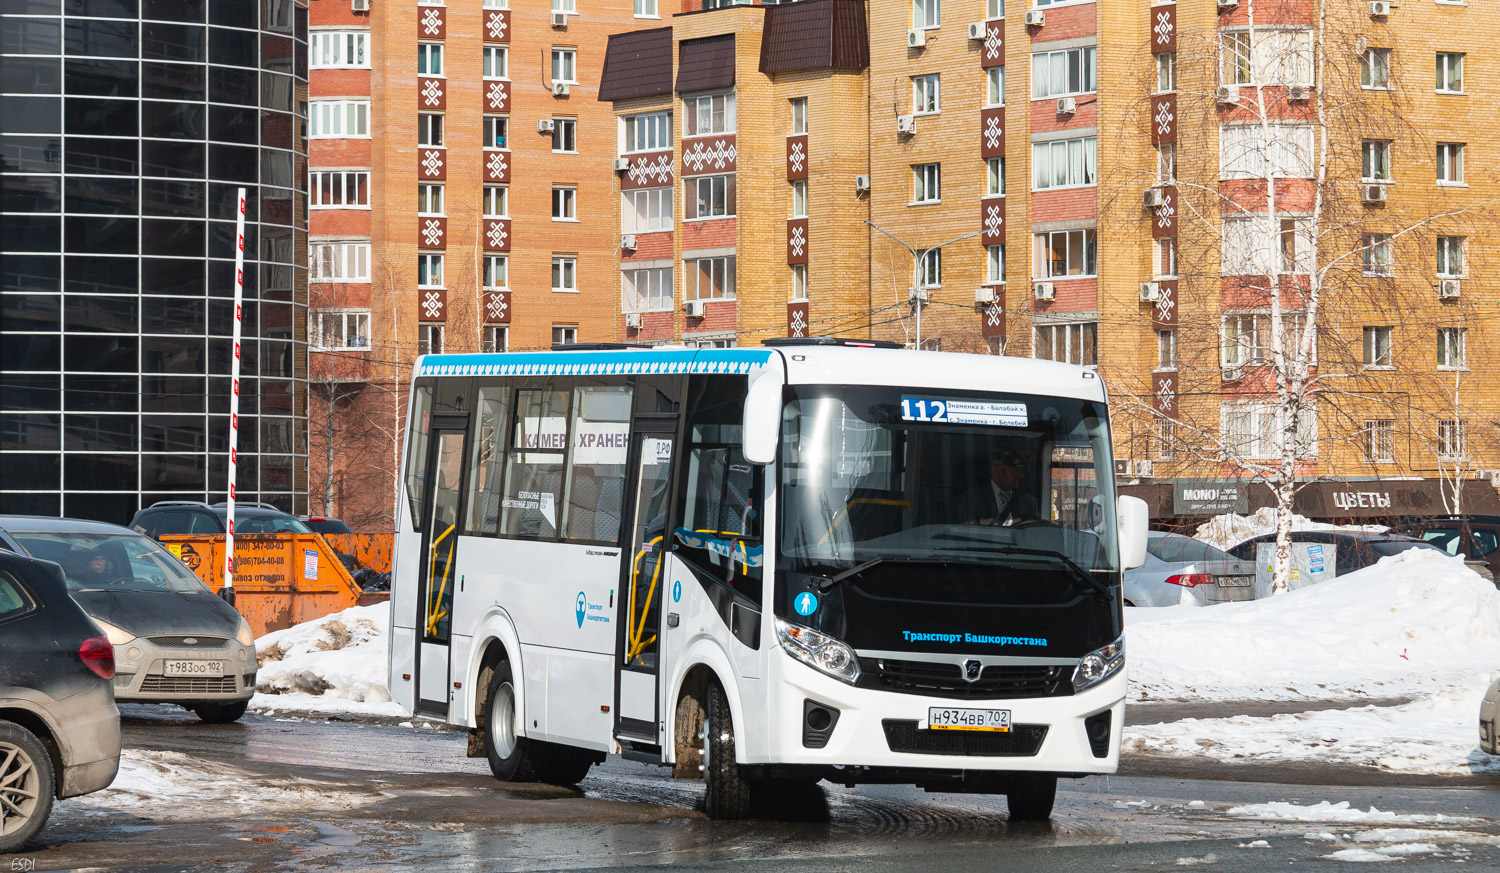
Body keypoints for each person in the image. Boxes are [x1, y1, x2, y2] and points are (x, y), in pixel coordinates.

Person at [976, 447, 1039, 526]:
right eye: (1015, 471)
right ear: (996, 469)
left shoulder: (1029, 502)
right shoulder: (973, 498)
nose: (1021, 476)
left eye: (1022, 471)